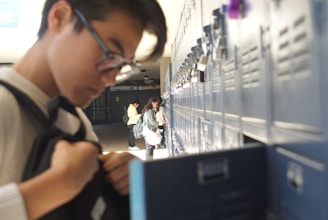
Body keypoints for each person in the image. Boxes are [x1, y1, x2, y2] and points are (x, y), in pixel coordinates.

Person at [0, 0, 167, 219]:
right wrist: (54, 187)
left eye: (120, 66)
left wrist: (119, 177)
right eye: (109, 55)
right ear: (60, 17)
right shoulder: (5, 106)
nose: (111, 79)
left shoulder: (74, 118)